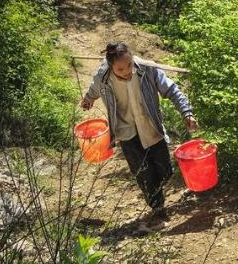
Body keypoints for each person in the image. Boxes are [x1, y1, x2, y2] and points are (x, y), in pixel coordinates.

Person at [80, 42, 197, 225]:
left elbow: (172, 90)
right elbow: (94, 90)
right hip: (127, 132)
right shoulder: (103, 78)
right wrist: (88, 99)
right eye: (120, 69)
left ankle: (157, 192)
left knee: (165, 171)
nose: (127, 71)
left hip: (151, 128)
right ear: (111, 67)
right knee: (144, 174)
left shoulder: (148, 70)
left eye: (129, 65)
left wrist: (186, 112)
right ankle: (158, 208)